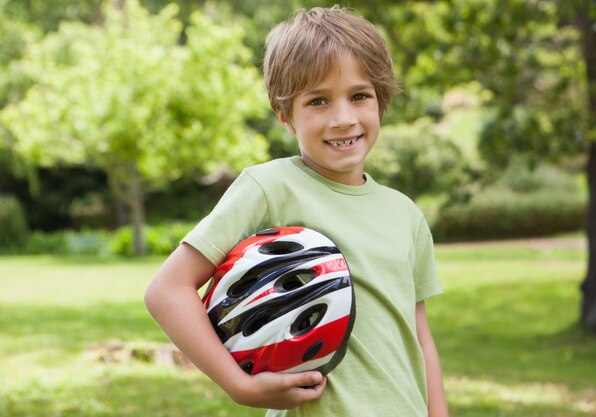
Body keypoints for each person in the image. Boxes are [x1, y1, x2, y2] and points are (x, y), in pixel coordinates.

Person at [145, 5, 448, 417]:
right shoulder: (269, 187)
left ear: (382, 100)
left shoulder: (405, 213)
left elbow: (419, 338)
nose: (343, 119)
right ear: (285, 116)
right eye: (318, 101)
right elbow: (168, 291)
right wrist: (240, 386)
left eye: (359, 96)